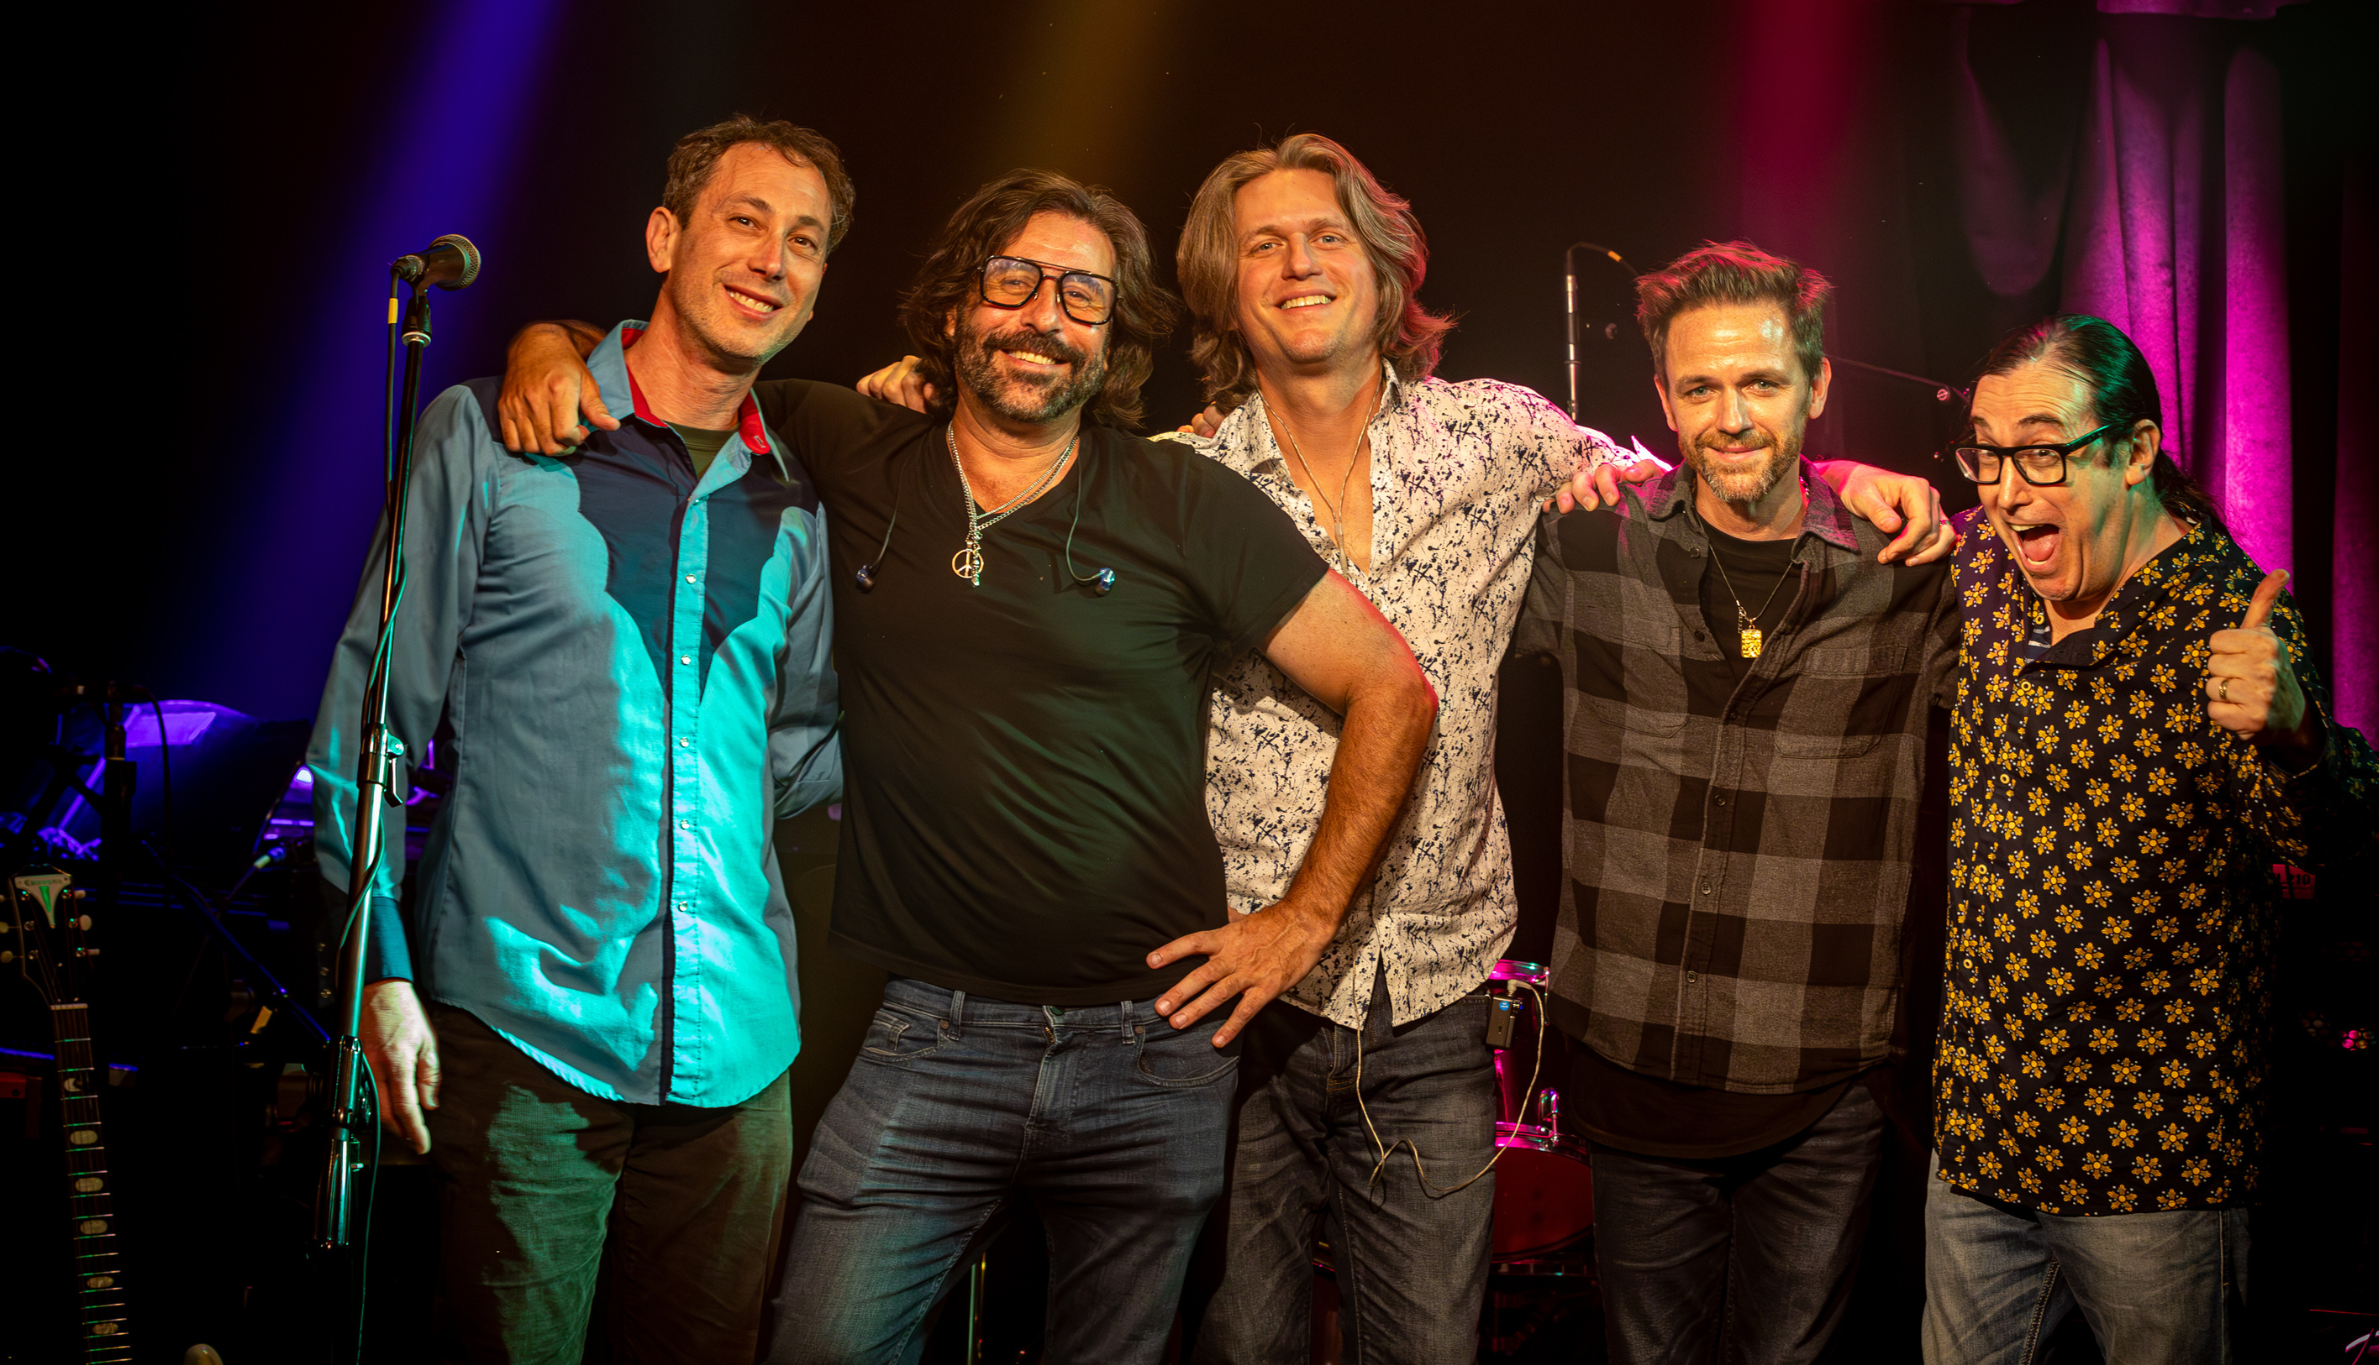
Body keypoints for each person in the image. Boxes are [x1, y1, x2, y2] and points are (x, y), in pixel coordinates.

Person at [848, 142, 1955, 1359]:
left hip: (1433, 1006)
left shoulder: (1503, 436)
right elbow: (1006, 480)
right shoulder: (1172, 477)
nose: (1297, 264)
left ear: (1385, 272)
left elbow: (1708, 469)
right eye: (1262, 245)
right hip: (1233, 1011)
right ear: (1221, 289)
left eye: (1326, 236)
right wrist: (923, 396)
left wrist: (1843, 471)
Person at [495, 168, 1440, 1365]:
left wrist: (1304, 920)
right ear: (953, 307)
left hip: (1151, 1054)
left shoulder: (1179, 498)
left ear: (1112, 339)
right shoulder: (846, 445)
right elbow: (676, 362)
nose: (1043, 315)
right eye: (1012, 280)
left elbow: (1392, 687)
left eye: (1082, 296)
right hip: (926, 1038)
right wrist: (544, 345)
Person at [308, 116, 853, 1364]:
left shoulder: (798, 507)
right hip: (523, 1038)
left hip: (738, 1057)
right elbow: (369, 728)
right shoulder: (490, 435)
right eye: (744, 221)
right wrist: (377, 972)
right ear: (664, 237)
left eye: (805, 241)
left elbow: (797, 756)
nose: (772, 259)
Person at [1515, 241, 1965, 1365]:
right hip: (1633, 1073)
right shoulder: (1586, 541)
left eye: (1761, 382)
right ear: (1662, 399)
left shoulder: (1906, 565)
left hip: (1819, 1077)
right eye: (1701, 387)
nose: (1730, 416)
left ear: (1817, 386)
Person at [1921, 315, 2379, 1363]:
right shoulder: (1985, 567)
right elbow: (1871, 528)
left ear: (2133, 451)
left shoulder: (2226, 614)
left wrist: (2296, 738)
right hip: (1983, 1143)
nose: (2007, 489)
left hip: (2152, 1163)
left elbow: (2334, 841)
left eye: (2042, 451)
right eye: (1987, 454)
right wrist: (1848, 474)